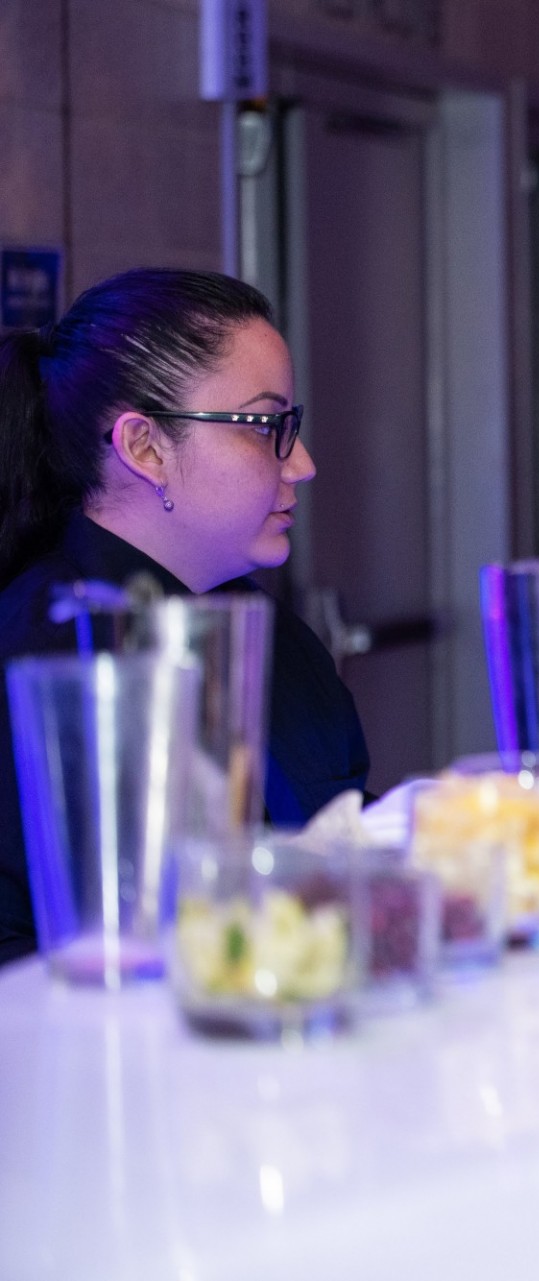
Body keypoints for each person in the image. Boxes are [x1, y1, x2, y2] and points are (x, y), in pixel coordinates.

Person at [0, 268, 369, 967]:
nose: (305, 465)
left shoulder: (268, 628)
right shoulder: (40, 658)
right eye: (268, 427)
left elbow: (335, 834)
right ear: (144, 448)